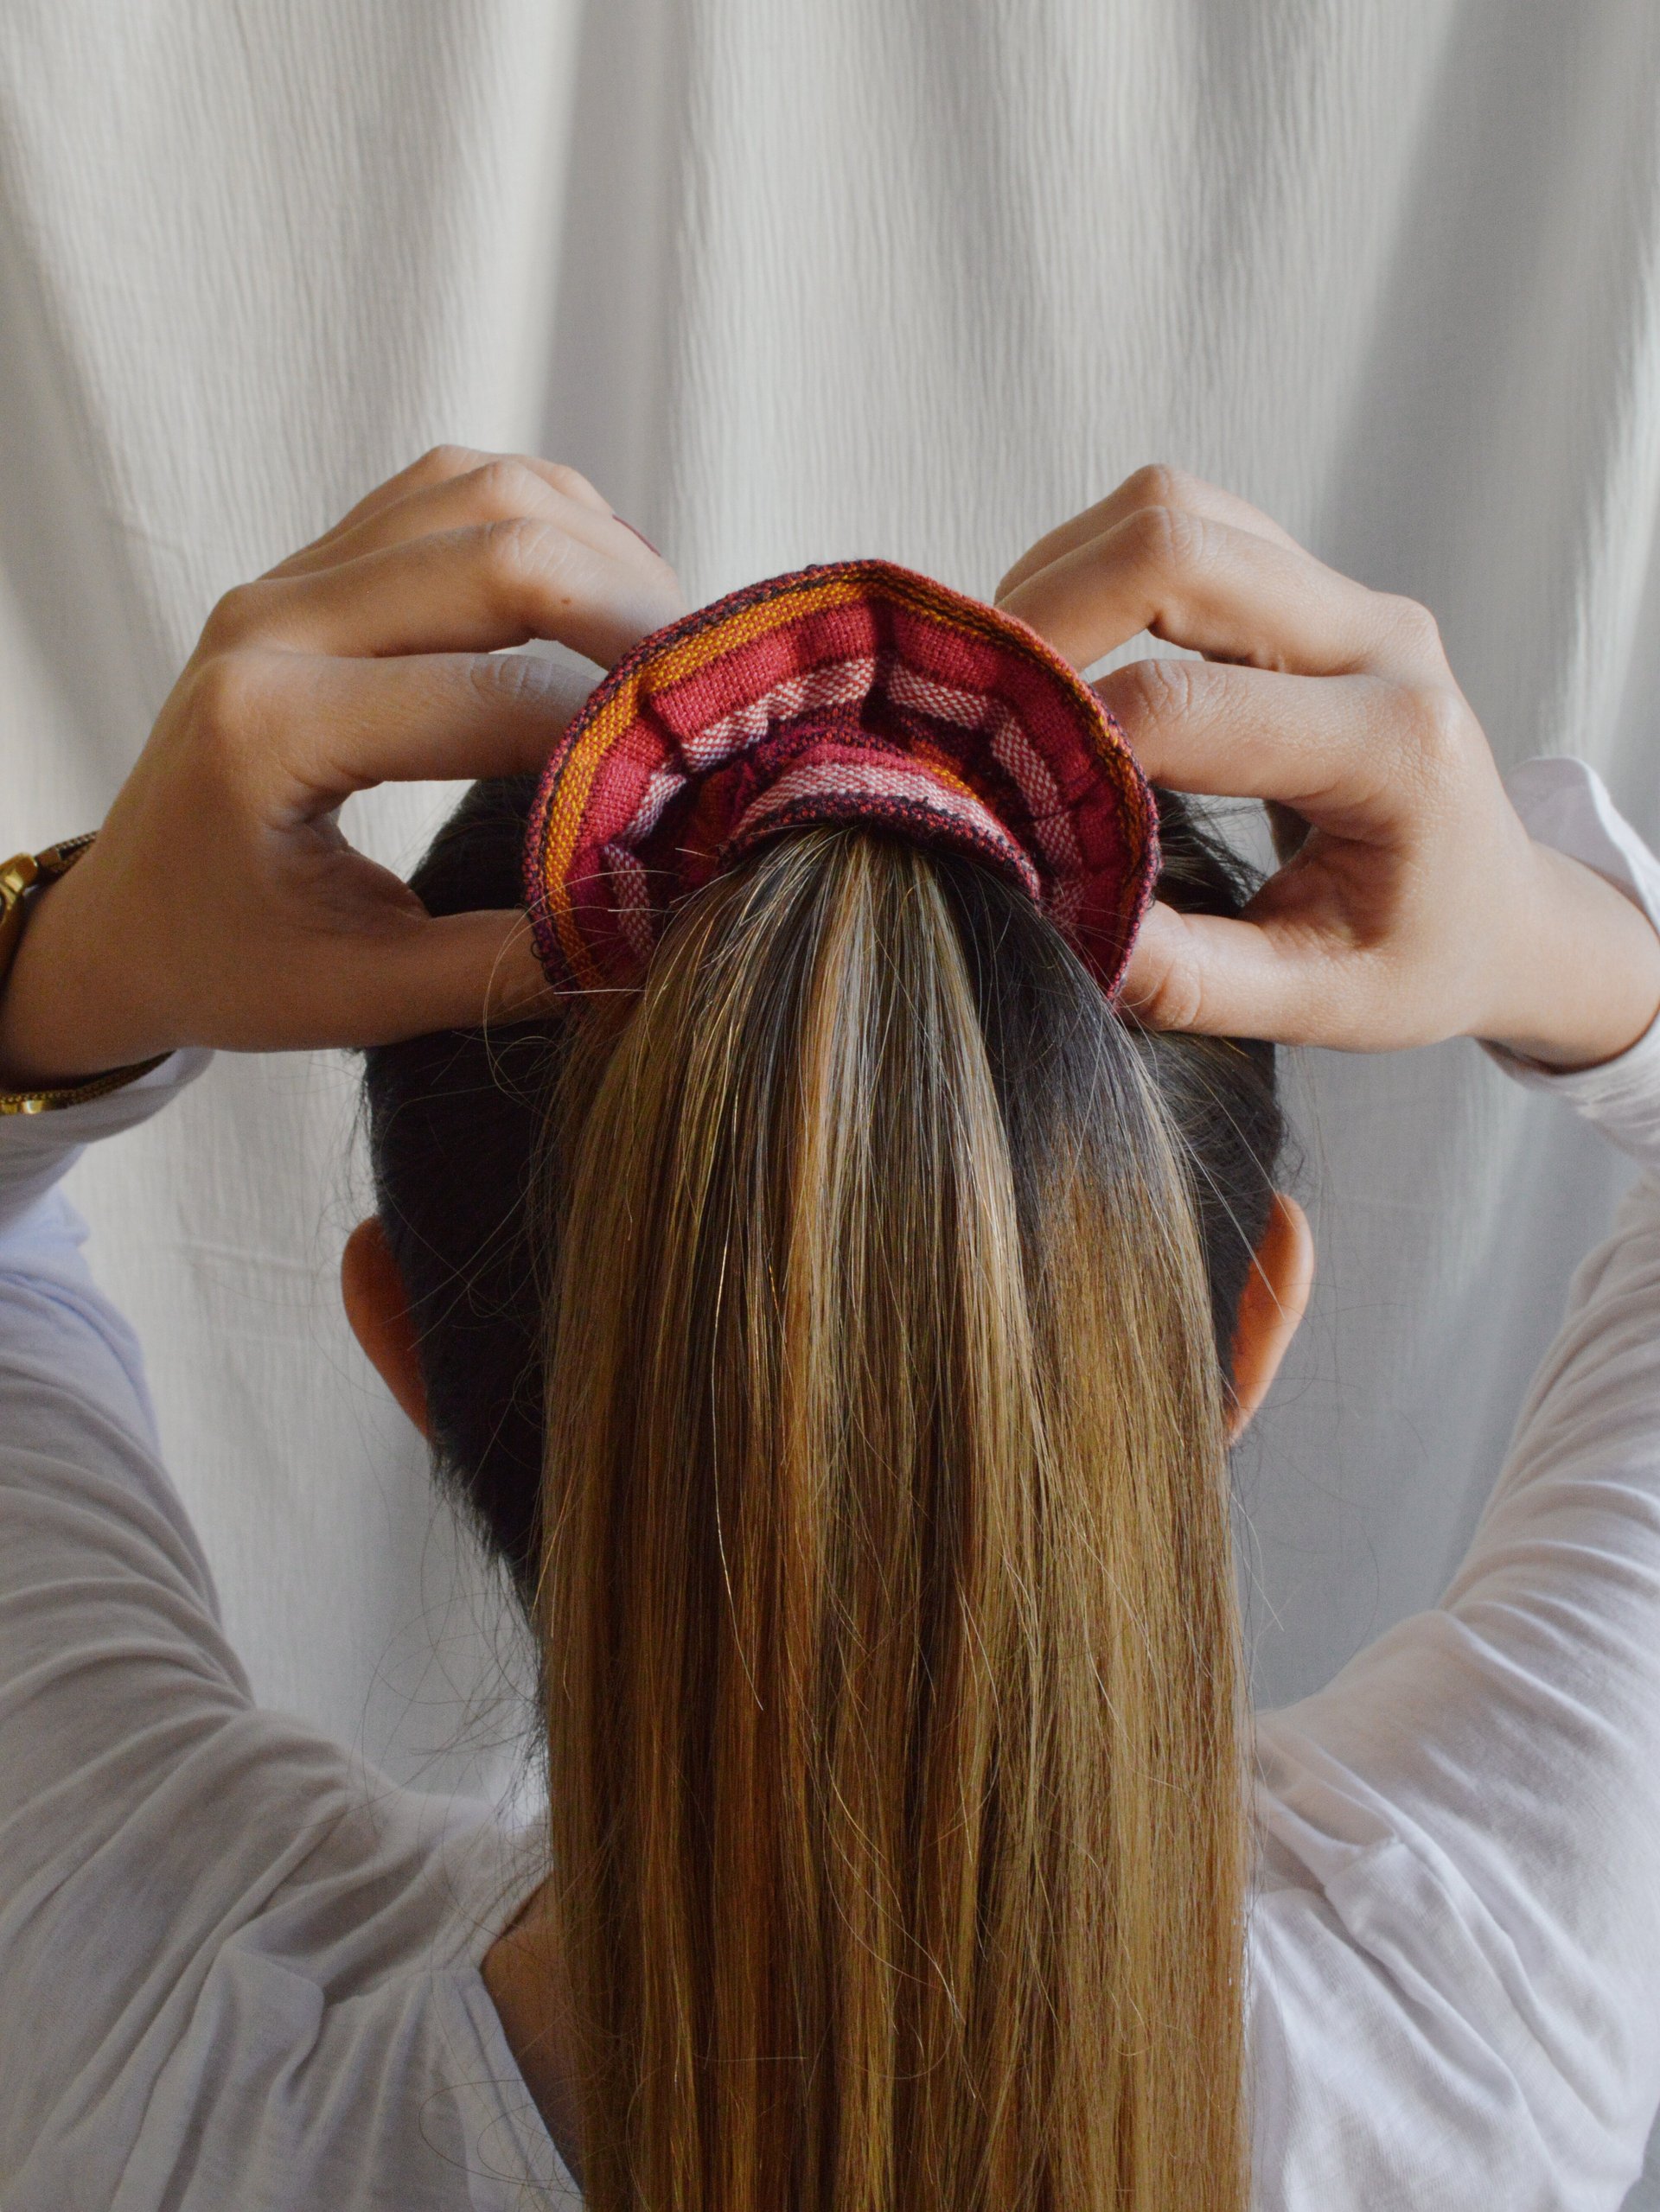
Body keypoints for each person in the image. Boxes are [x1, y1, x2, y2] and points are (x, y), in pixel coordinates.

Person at [1, 450, 1658, 2212]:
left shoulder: (145, 2042)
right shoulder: (1467, 2027)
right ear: (1244, 1337)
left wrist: (67, 964)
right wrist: (1573, 946)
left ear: (400, 1344)